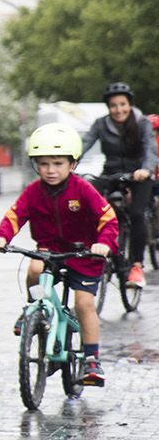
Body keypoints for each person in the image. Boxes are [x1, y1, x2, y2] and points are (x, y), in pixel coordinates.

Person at [0, 123, 118, 386]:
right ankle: (32, 309)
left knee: (84, 303)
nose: (50, 170)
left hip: (84, 254)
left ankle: (92, 359)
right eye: (44, 163)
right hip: (50, 251)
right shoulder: (33, 191)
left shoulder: (83, 189)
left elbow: (108, 219)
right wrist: (2, 236)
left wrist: (104, 243)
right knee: (34, 269)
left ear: (72, 164)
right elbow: (16, 215)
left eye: (58, 163)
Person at [82, 81, 155, 287]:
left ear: (129, 104)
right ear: (108, 107)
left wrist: (146, 170)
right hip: (111, 174)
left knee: (137, 214)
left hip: (138, 175)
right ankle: (96, 250)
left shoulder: (142, 123)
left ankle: (136, 266)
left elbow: (150, 149)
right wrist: (70, 162)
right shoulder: (100, 124)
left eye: (122, 104)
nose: (118, 109)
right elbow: (85, 144)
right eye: (113, 105)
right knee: (93, 207)